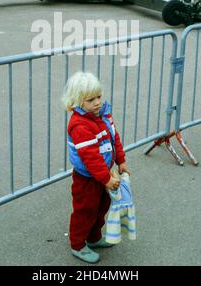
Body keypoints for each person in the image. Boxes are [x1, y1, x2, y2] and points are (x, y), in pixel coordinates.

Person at [62, 71, 130, 264]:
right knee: (85, 209)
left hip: (103, 174)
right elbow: (90, 157)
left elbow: (114, 138)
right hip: (88, 179)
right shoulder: (80, 125)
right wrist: (107, 179)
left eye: (98, 97)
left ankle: (93, 237)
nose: (97, 102)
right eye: (90, 99)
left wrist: (121, 161)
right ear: (77, 101)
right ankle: (77, 244)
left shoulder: (103, 115)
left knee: (102, 206)